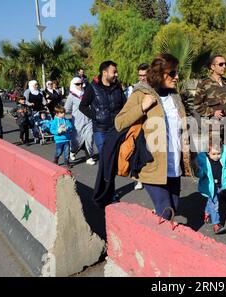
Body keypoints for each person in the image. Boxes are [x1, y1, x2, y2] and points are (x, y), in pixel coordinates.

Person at [114, 53, 193, 220]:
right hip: (152, 164)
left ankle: (152, 230)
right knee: (166, 211)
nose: (177, 77)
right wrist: (142, 107)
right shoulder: (141, 94)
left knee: (173, 208)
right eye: (173, 73)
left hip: (173, 164)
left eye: (177, 73)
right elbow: (119, 122)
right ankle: (162, 243)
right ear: (159, 73)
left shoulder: (175, 96)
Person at [196, 131, 226, 234]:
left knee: (211, 201)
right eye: (213, 154)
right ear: (207, 152)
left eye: (219, 153)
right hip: (210, 186)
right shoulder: (203, 159)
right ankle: (216, 225)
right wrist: (199, 171)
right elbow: (200, 174)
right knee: (215, 204)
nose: (217, 156)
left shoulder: (225, 153)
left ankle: (206, 215)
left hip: (220, 184)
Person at [79, 61, 126, 156]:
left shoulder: (118, 87)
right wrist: (96, 116)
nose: (116, 74)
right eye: (114, 72)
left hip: (117, 129)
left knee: (118, 158)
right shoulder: (92, 87)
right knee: (106, 157)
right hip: (101, 130)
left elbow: (125, 105)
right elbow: (82, 106)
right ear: (105, 73)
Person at [193, 55, 226, 141]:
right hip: (211, 127)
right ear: (212, 67)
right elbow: (197, 105)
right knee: (213, 153)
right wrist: (213, 112)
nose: (224, 66)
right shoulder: (204, 83)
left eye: (225, 64)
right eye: (221, 64)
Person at [126, 62, 150, 190]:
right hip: (139, 125)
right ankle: (138, 179)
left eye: (144, 75)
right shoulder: (135, 89)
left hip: (153, 126)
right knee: (137, 153)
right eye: (140, 75)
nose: (142, 78)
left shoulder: (156, 88)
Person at [65, 77, 96, 166]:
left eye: (81, 84)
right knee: (76, 140)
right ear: (73, 85)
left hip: (88, 120)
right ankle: (73, 150)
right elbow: (67, 109)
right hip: (77, 122)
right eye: (77, 84)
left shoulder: (87, 93)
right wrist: (61, 115)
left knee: (89, 138)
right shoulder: (71, 96)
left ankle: (89, 157)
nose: (80, 86)